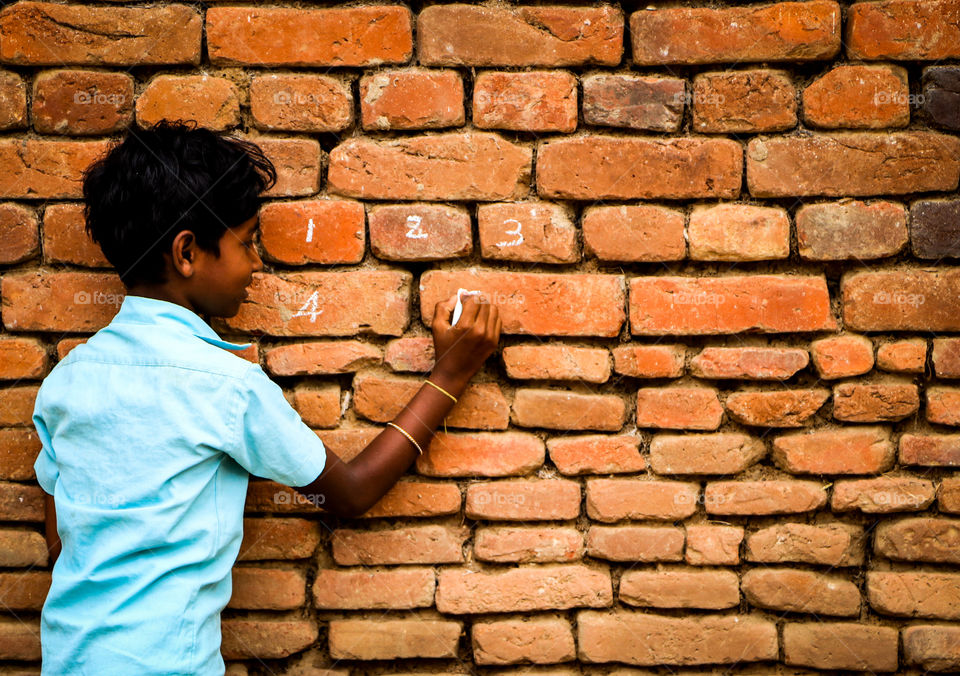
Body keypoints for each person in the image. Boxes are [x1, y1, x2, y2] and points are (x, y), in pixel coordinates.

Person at [31, 118, 501, 675]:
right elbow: (348, 495)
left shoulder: (68, 378)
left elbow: (62, 544)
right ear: (187, 252)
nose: (255, 264)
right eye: (247, 242)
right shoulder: (225, 385)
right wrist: (450, 375)